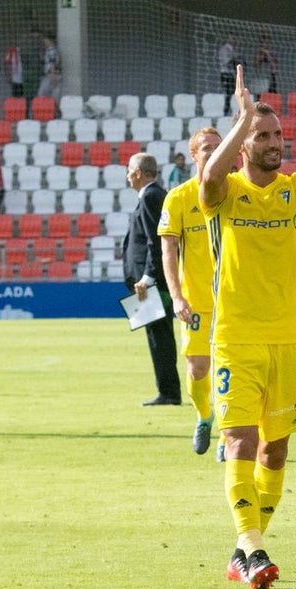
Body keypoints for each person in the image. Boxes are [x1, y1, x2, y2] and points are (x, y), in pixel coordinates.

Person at [199, 58, 296, 589]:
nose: (272, 142)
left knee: (276, 449)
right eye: (262, 135)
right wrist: (241, 119)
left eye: (277, 134)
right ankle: (254, 546)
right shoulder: (225, 196)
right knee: (239, 440)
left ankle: (246, 546)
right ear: (245, 144)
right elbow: (209, 177)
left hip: (289, 343)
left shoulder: (294, 194)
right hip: (236, 341)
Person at [160, 127, 221, 454]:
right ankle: (204, 416)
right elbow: (168, 250)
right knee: (198, 368)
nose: (212, 152)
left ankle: (229, 434)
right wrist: (177, 296)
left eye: (218, 147)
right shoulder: (179, 198)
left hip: (234, 300)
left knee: (232, 369)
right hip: (196, 302)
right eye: (206, 148)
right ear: (194, 155)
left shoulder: (237, 191)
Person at [122, 152, 181, 407]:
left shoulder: (150, 196)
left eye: (129, 170)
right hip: (152, 280)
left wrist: (147, 277)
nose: (127, 175)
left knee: (160, 337)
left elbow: (154, 241)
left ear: (138, 173)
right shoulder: (153, 195)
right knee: (159, 335)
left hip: (152, 283)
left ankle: (168, 392)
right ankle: (167, 390)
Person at [217, 36, 239, 111]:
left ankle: (230, 110)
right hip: (225, 73)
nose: (235, 40)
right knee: (227, 92)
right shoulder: (224, 49)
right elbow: (225, 62)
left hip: (232, 74)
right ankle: (225, 110)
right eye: (233, 38)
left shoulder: (235, 50)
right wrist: (233, 58)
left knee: (233, 92)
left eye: (235, 38)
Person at [37, 35, 61, 99]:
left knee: (41, 94)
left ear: (50, 40)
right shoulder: (49, 50)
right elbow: (45, 62)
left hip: (51, 74)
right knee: (53, 96)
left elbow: (53, 64)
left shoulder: (52, 50)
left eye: (46, 40)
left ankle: (45, 108)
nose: (44, 42)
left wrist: (53, 77)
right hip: (51, 74)